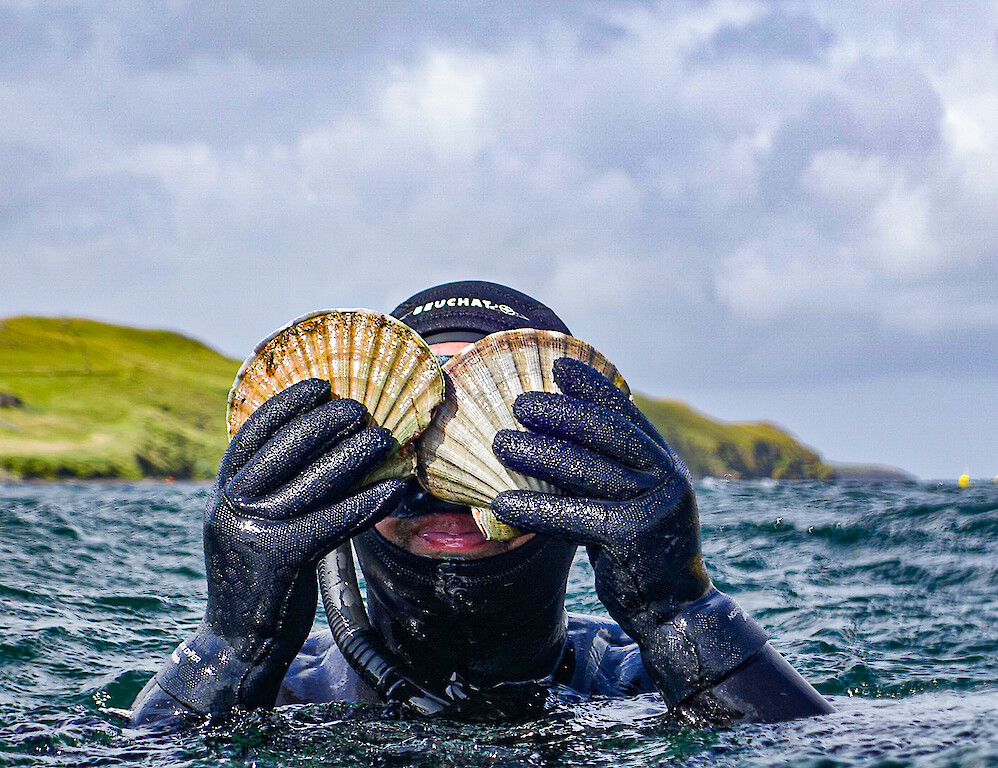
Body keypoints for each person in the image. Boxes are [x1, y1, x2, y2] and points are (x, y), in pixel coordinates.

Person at [130, 281, 833, 728]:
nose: (441, 483)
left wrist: (681, 614)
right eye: (407, 441)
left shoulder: (655, 684)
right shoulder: (277, 694)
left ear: (588, 465)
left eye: (493, 436)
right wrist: (229, 648)